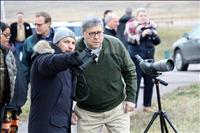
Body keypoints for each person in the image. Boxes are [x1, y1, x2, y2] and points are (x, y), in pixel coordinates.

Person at [73, 16, 137, 133]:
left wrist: (131, 98)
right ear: (83, 33)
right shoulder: (74, 49)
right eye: (91, 33)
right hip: (87, 113)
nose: (96, 37)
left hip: (117, 109)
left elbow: (130, 71)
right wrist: (70, 109)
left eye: (99, 33)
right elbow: (65, 82)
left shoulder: (115, 44)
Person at [28, 27, 80, 133]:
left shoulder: (67, 67)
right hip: (45, 126)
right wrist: (68, 58)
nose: (70, 46)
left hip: (61, 124)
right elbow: (52, 62)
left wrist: (71, 111)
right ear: (56, 43)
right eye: (66, 42)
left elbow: (64, 95)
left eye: (73, 43)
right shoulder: (43, 58)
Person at [124, 8, 161, 112]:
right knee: (135, 83)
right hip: (136, 60)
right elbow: (129, 40)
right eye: (141, 15)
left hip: (149, 59)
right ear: (137, 17)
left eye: (145, 15)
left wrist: (153, 34)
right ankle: (132, 107)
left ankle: (147, 106)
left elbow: (157, 42)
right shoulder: (131, 27)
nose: (143, 17)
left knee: (150, 82)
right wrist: (141, 35)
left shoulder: (152, 27)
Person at [21, 11, 54, 84]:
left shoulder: (58, 39)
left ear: (48, 23)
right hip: (37, 82)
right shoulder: (29, 41)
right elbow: (25, 64)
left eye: (39, 25)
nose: (36, 27)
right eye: (35, 24)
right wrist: (28, 82)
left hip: (57, 80)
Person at [0, 22, 17, 131]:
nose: (7, 38)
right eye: (5, 35)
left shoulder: (7, 51)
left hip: (2, 101)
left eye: (9, 35)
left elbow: (13, 74)